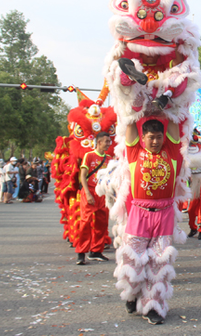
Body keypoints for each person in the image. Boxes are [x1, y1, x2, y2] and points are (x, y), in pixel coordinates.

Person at [114, 118, 183, 325]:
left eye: (158, 137)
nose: (155, 141)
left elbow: (174, 117)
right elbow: (129, 119)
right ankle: (132, 294)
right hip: (139, 213)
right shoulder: (135, 153)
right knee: (133, 261)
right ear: (142, 138)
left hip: (164, 215)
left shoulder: (172, 153)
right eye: (150, 137)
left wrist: (167, 95)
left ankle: (153, 306)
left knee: (159, 264)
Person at [75, 132, 113, 265]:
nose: (109, 143)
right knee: (85, 222)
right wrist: (87, 193)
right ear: (99, 142)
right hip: (89, 192)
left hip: (103, 194)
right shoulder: (89, 155)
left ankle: (96, 251)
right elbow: (83, 176)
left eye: (109, 141)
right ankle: (81, 252)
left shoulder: (109, 159)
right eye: (106, 141)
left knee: (102, 223)